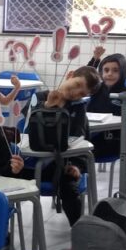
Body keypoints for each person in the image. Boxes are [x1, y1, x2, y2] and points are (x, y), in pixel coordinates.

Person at [29, 67, 101, 224]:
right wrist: (47, 107)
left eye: (82, 93)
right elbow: (29, 129)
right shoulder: (40, 97)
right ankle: (3, 233)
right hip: (35, 163)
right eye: (76, 85)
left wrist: (77, 166)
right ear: (70, 75)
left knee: (68, 187)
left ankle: (79, 233)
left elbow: (80, 141)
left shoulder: (78, 108)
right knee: (4, 176)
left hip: (65, 165)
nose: (76, 93)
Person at [87, 52, 126, 159]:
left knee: (78, 155)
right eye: (106, 70)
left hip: (112, 141)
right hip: (93, 135)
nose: (110, 74)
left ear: (123, 72)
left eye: (115, 70)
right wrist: (95, 59)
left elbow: (122, 121)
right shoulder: (97, 88)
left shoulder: (125, 93)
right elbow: (86, 78)